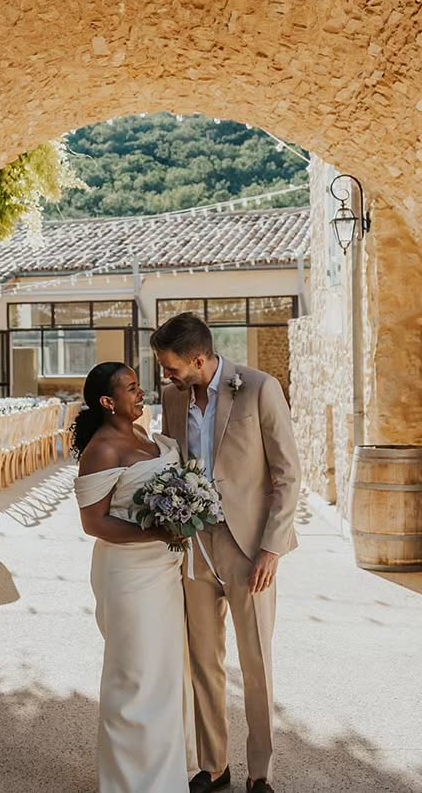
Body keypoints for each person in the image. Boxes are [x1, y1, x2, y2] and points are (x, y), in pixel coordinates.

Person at [153, 314, 300, 793]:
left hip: (249, 550)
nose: (165, 375)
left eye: (171, 367)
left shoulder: (259, 388)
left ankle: (261, 774)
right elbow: (169, 461)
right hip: (194, 546)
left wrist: (272, 550)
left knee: (255, 662)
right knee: (202, 660)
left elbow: (287, 475)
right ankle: (214, 766)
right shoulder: (174, 398)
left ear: (199, 359)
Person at [72, 361, 190, 793]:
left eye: (139, 386)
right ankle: (127, 784)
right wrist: (156, 531)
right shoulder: (102, 449)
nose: (141, 393)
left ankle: (165, 780)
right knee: (134, 676)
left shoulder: (144, 435)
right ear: (108, 402)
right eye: (132, 388)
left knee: (163, 672)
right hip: (128, 574)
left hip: (164, 571)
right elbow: (94, 524)